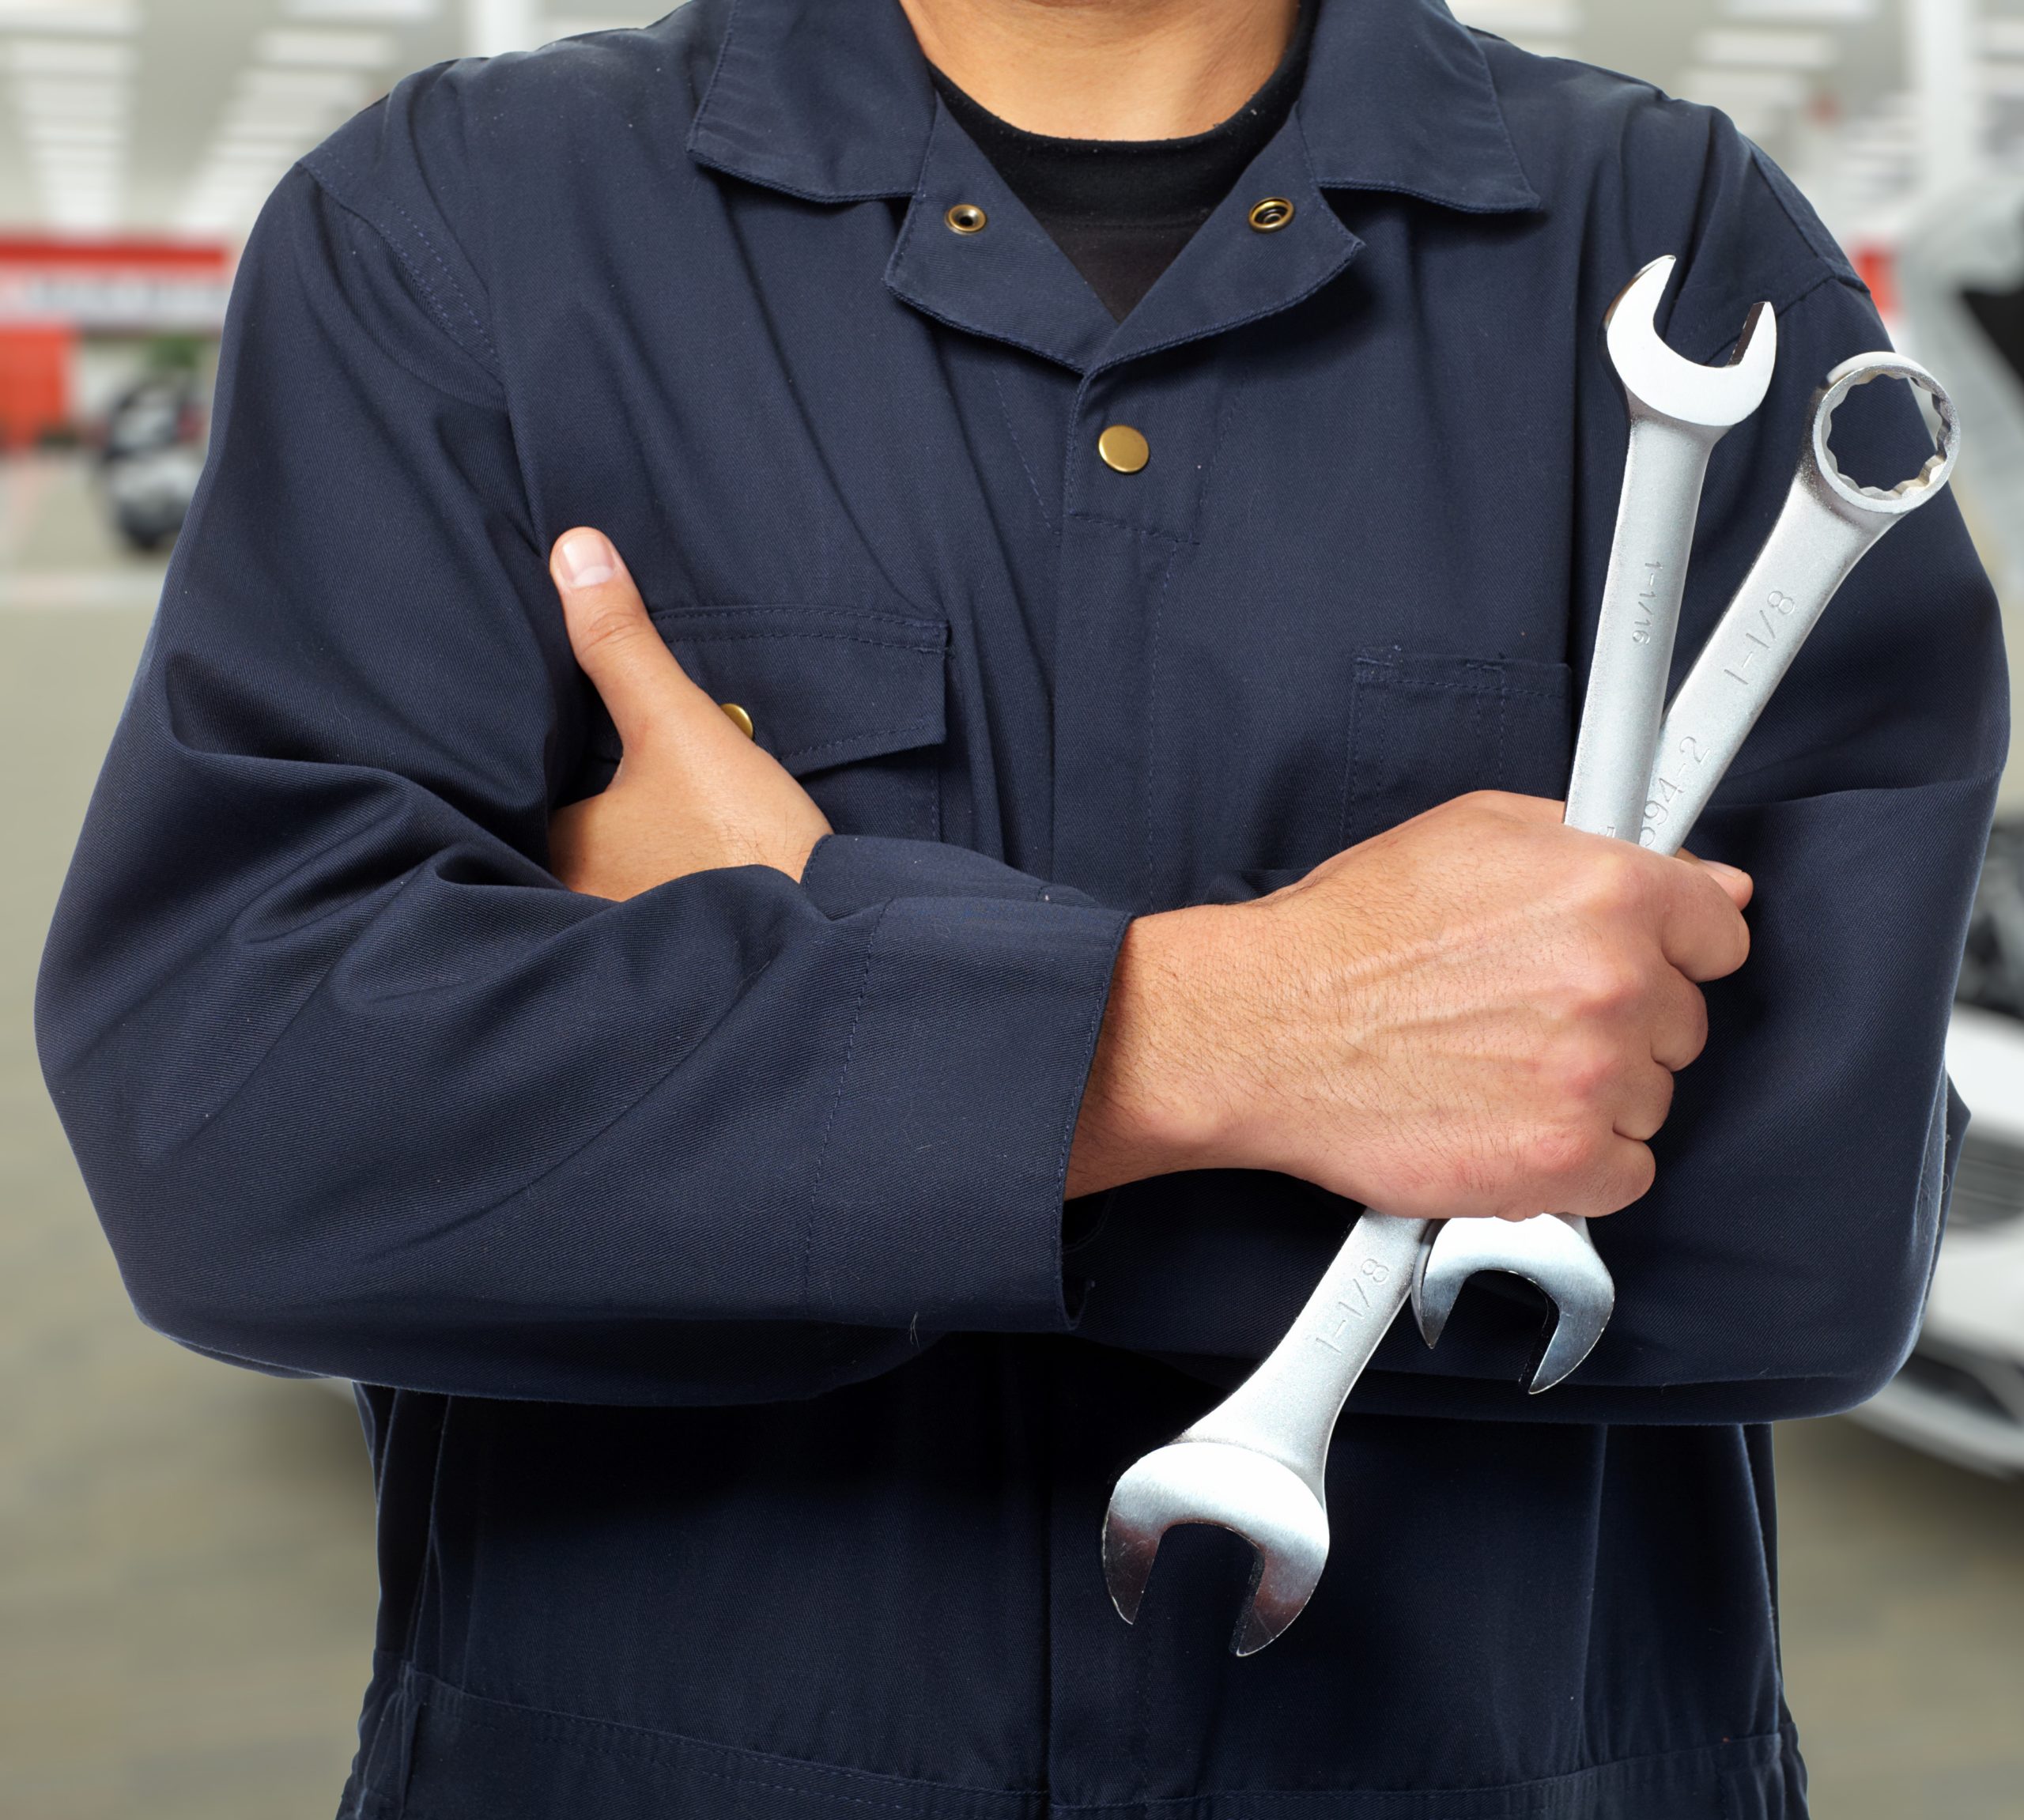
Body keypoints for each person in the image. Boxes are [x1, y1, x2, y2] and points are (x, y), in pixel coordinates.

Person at [34, 1, 2003, 1815]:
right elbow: (241, 1118)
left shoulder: (1658, 231)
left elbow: (1809, 1229)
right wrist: (1223, 1035)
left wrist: (797, 995)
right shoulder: (459, 230)